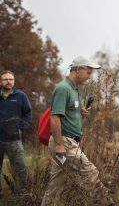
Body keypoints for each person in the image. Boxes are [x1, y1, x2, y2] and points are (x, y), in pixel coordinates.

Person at [41, 57, 111, 206]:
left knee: (56, 187)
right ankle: (109, 203)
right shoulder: (63, 88)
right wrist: (59, 145)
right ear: (78, 70)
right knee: (90, 172)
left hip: (69, 142)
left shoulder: (74, 89)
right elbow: (54, 117)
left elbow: (68, 111)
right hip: (64, 143)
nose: (90, 76)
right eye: (88, 72)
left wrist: (81, 112)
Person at [0, 70, 31, 197]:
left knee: (20, 168)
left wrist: (20, 126)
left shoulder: (21, 96)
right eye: (6, 79)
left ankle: (23, 194)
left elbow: (28, 113)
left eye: (11, 79)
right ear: (0, 81)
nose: (9, 81)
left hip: (14, 139)